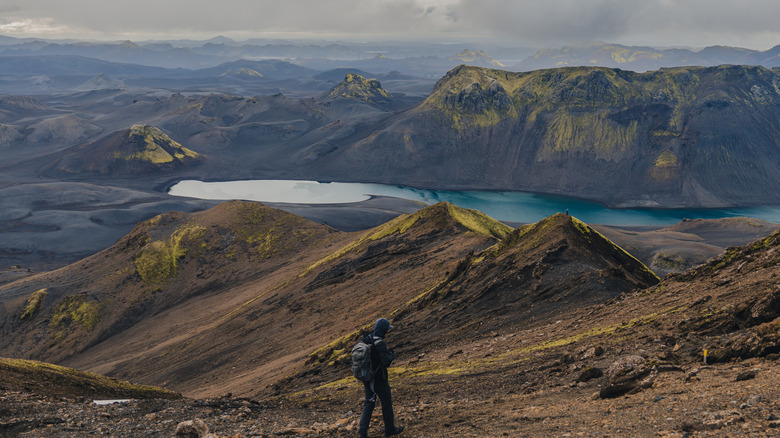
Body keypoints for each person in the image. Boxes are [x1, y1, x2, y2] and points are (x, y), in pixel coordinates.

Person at [358, 318, 404, 438]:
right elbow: (386, 362)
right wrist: (391, 354)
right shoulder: (380, 344)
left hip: (367, 379)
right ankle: (389, 429)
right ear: (383, 330)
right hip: (380, 380)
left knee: (368, 404)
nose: (387, 332)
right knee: (386, 404)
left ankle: (362, 433)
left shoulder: (367, 339)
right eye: (387, 330)